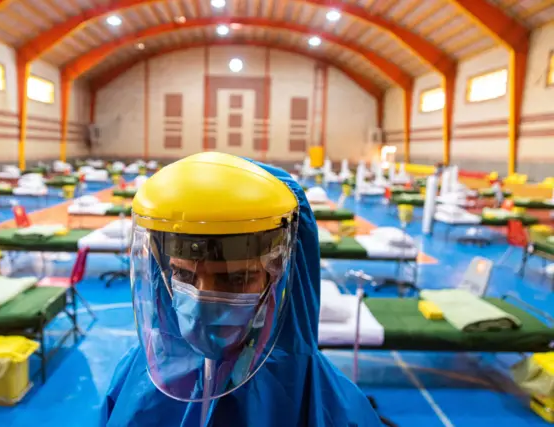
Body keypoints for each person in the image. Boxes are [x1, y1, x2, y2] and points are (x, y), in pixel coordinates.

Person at [101, 152, 380, 427]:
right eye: (183, 274)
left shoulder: (333, 410)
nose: (200, 302)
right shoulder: (136, 379)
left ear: (278, 275)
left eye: (234, 280)